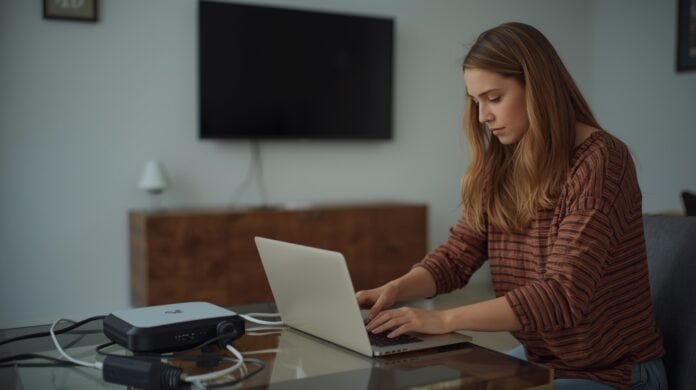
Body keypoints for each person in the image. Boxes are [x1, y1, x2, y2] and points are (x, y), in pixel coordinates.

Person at [357, 22, 667, 390]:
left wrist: (442, 320)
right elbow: (458, 256)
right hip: (543, 363)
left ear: (537, 88)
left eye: (494, 98)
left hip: (616, 373)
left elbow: (562, 295)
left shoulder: (601, 160)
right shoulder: (502, 163)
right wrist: (396, 288)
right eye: (476, 102)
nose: (482, 116)